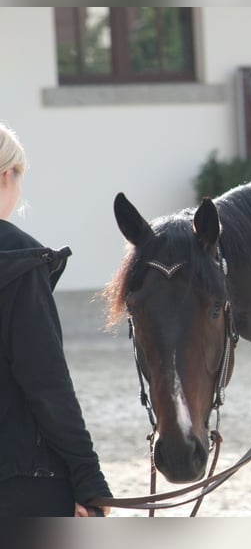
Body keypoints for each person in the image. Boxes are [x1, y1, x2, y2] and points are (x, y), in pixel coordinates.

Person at [0, 122, 112, 516]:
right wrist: (88, 476)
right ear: (5, 175)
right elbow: (45, 380)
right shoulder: (17, 260)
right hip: (19, 478)